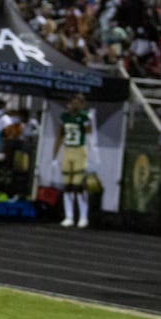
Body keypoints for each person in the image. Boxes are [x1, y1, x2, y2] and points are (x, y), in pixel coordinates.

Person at [54, 93, 95, 228]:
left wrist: (88, 120)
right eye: (73, 102)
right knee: (67, 186)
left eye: (78, 102)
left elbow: (90, 132)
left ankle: (83, 216)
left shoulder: (84, 116)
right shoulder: (64, 117)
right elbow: (60, 136)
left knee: (79, 186)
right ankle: (69, 216)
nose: (75, 104)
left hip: (79, 150)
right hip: (67, 150)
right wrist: (54, 156)